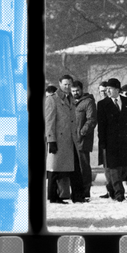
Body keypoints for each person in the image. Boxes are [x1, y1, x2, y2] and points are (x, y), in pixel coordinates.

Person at [45, 74, 86, 204]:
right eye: (65, 84)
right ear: (59, 84)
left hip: (70, 140)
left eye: (69, 84)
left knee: (75, 169)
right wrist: (51, 140)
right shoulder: (52, 99)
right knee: (54, 170)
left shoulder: (70, 99)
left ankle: (78, 196)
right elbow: (49, 121)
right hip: (59, 140)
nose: (67, 87)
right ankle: (53, 196)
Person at [96, 78, 127, 202]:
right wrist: (102, 142)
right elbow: (101, 126)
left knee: (126, 167)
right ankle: (119, 194)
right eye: (106, 89)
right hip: (110, 142)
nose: (108, 91)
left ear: (118, 89)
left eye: (110, 89)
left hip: (126, 141)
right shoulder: (102, 104)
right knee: (114, 168)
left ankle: (111, 186)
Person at [71, 80, 97, 200]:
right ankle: (75, 191)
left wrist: (82, 132)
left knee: (84, 166)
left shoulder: (88, 102)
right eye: (73, 91)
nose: (75, 93)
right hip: (70, 139)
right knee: (73, 167)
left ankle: (85, 191)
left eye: (77, 90)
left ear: (81, 89)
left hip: (82, 139)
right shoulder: (69, 102)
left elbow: (91, 119)